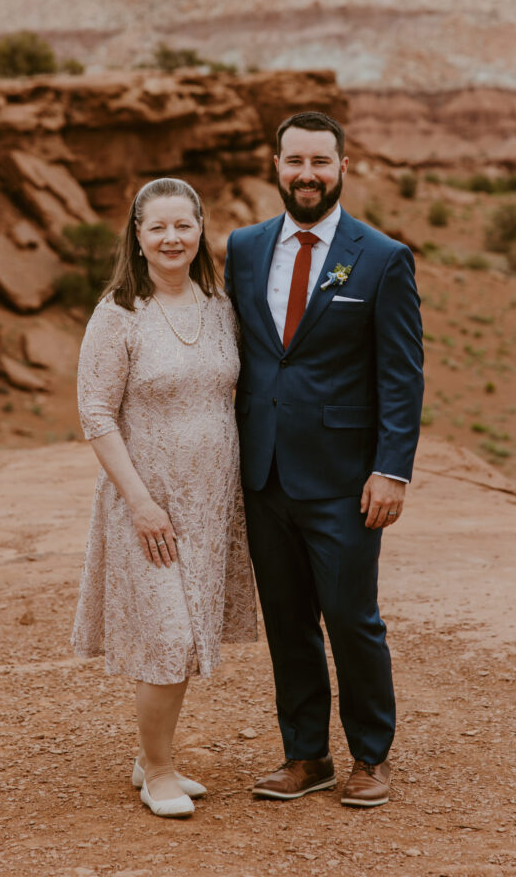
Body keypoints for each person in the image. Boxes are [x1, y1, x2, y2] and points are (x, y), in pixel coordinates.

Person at [224, 111, 424, 808]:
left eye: (319, 161)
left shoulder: (380, 257)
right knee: (286, 619)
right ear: (274, 165)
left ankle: (371, 756)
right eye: (293, 161)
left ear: (343, 166)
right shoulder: (242, 249)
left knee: (350, 617)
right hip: (263, 471)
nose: (305, 174)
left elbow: (400, 373)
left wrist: (390, 468)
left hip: (345, 478)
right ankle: (305, 755)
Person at [72, 177, 257, 819]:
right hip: (145, 502)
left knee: (181, 635)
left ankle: (150, 754)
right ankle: (158, 770)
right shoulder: (119, 312)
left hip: (210, 503)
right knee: (169, 638)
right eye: (158, 228)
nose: (172, 238)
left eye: (183, 226)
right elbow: (94, 411)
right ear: (138, 237)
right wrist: (140, 501)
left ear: (200, 230)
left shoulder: (220, 305)